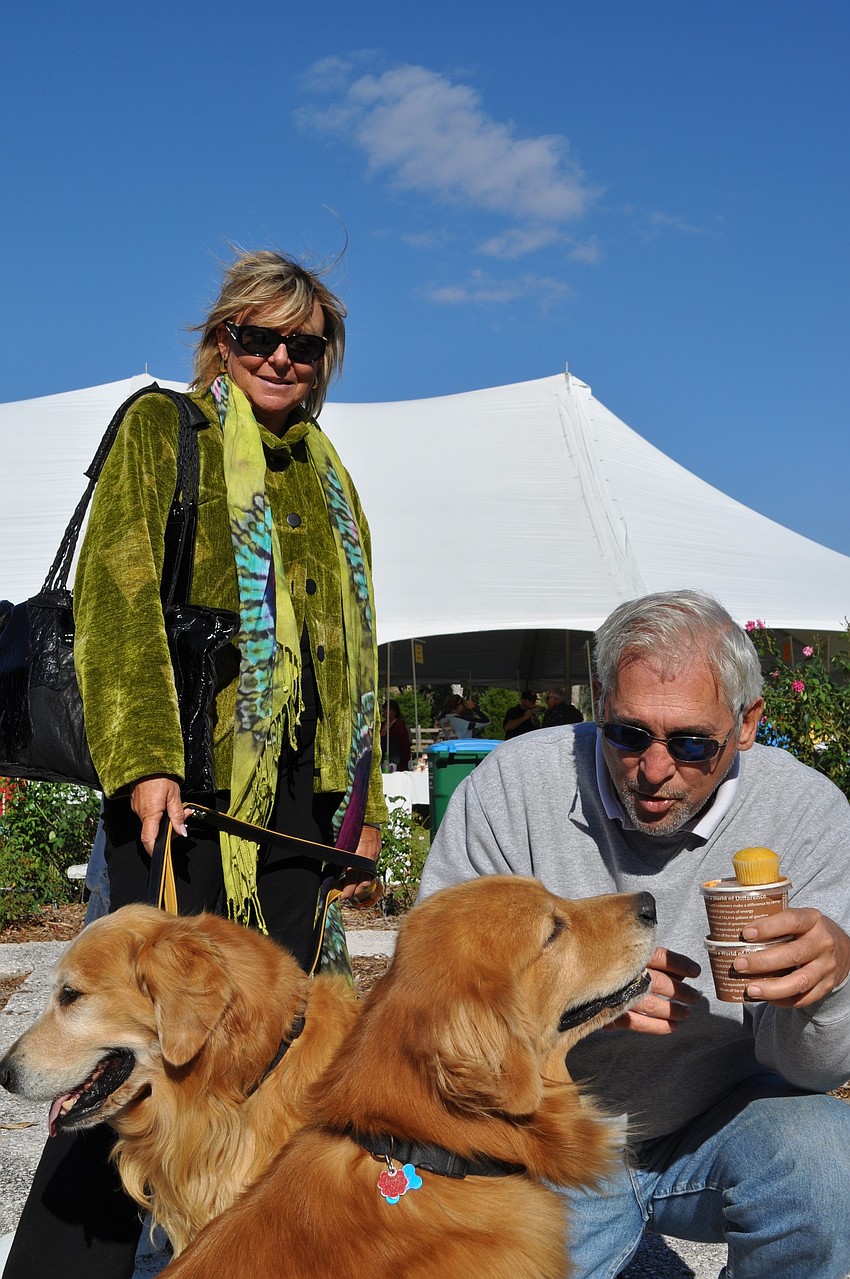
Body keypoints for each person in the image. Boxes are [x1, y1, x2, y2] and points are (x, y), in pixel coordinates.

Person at [4, 250, 386, 1279]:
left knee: (255, 1072)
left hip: (293, 830)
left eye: (301, 345)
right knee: (130, 1055)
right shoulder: (160, 429)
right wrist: (143, 761)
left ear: (323, 359)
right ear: (217, 341)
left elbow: (352, 656)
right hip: (182, 803)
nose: (276, 358)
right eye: (253, 337)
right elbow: (119, 597)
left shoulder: (324, 472)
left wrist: (360, 815)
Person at [419, 589, 850, 1279]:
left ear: (747, 725)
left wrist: (827, 990)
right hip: (545, 1124)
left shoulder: (809, 816)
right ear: (597, 701)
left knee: (827, 1164)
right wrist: (572, 1010)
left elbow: (816, 1071)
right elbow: (437, 1010)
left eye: (691, 743)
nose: (654, 769)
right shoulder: (513, 789)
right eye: (628, 734)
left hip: (722, 1120)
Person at [380, 698, 411, 772]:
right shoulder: (382, 724)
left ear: (393, 711)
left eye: (386, 710)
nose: (384, 712)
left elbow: (405, 744)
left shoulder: (400, 725)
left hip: (397, 759)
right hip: (383, 757)